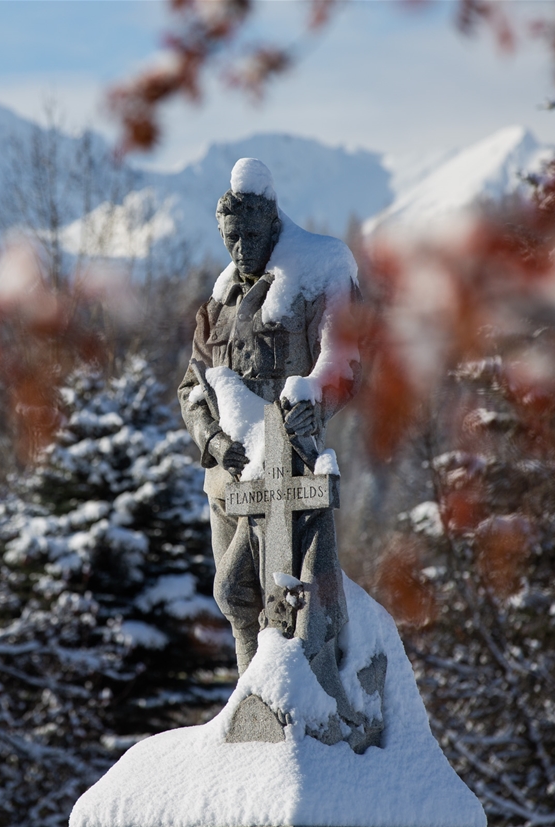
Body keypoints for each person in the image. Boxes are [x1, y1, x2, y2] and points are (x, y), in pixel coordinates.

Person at [178, 158, 361, 675]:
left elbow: (344, 358)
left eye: (251, 234)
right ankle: (249, 700)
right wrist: (212, 441)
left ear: (273, 223)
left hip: (289, 468)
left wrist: (313, 401)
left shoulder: (319, 268)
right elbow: (193, 387)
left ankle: (303, 696)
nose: (240, 248)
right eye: (230, 237)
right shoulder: (218, 301)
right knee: (237, 600)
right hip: (228, 482)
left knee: (296, 599)